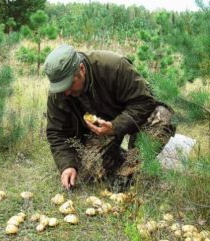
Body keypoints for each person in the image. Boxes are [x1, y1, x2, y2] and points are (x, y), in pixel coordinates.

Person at [44, 44, 176, 190]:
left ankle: (130, 168)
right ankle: (121, 157)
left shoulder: (115, 66)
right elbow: (57, 133)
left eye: (70, 84)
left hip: (133, 118)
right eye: (62, 87)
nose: (66, 92)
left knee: (163, 116)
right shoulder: (59, 92)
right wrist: (67, 165)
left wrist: (116, 126)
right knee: (86, 175)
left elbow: (144, 102)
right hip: (98, 133)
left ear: (81, 69)